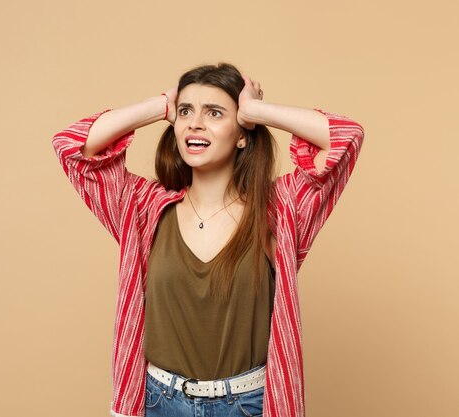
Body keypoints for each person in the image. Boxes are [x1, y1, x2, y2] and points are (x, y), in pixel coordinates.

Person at [52, 63, 364, 417]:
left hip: (248, 405)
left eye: (214, 113)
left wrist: (255, 110)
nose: (194, 123)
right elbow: (72, 146)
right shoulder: (143, 208)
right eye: (186, 112)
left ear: (242, 134)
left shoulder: (277, 211)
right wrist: (161, 106)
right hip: (159, 403)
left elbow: (346, 136)